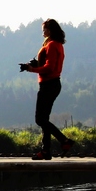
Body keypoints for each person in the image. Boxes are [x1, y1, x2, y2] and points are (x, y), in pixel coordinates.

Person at [23, 18, 75, 160]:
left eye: (44, 29)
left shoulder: (51, 45)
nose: (43, 32)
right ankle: (46, 151)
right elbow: (47, 63)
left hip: (49, 84)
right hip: (52, 84)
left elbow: (49, 68)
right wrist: (35, 64)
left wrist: (31, 69)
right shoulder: (57, 45)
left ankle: (64, 141)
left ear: (50, 30)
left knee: (40, 119)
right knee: (44, 119)